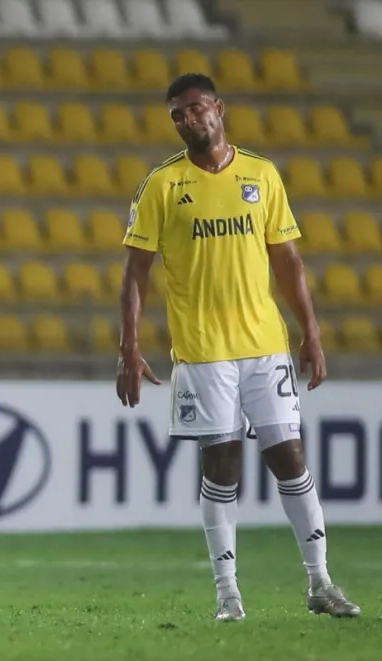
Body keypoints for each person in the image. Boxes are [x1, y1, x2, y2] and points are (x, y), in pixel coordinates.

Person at [116, 73, 360, 622]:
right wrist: (128, 346)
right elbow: (136, 272)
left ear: (219, 108)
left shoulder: (262, 174)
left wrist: (311, 331)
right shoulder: (161, 186)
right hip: (203, 352)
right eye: (177, 114)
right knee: (222, 467)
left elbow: (288, 260)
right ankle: (229, 596)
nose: (187, 120)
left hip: (265, 345)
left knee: (290, 458)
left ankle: (321, 582)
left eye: (195, 108)